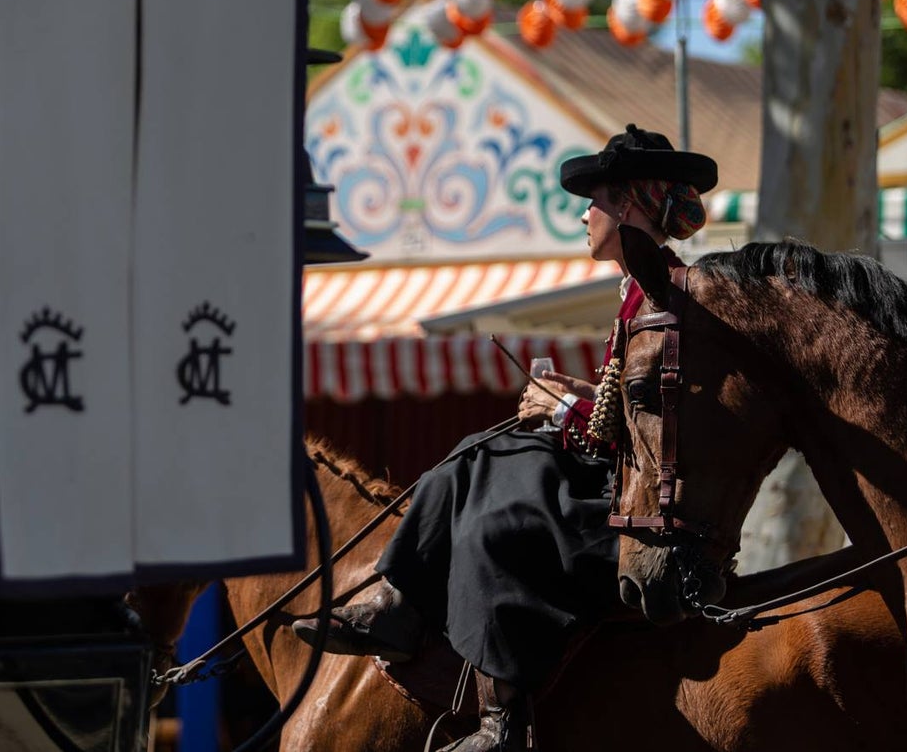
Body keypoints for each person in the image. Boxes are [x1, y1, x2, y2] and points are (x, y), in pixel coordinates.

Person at [293, 124, 717, 751]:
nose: (584, 215)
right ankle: (400, 605)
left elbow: (649, 435)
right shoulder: (639, 290)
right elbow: (622, 406)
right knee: (471, 450)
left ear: (626, 204)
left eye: (593, 201)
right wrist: (576, 394)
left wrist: (564, 405)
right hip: (610, 480)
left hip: (635, 504)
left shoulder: (666, 296)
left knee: (498, 525)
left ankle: (506, 721)